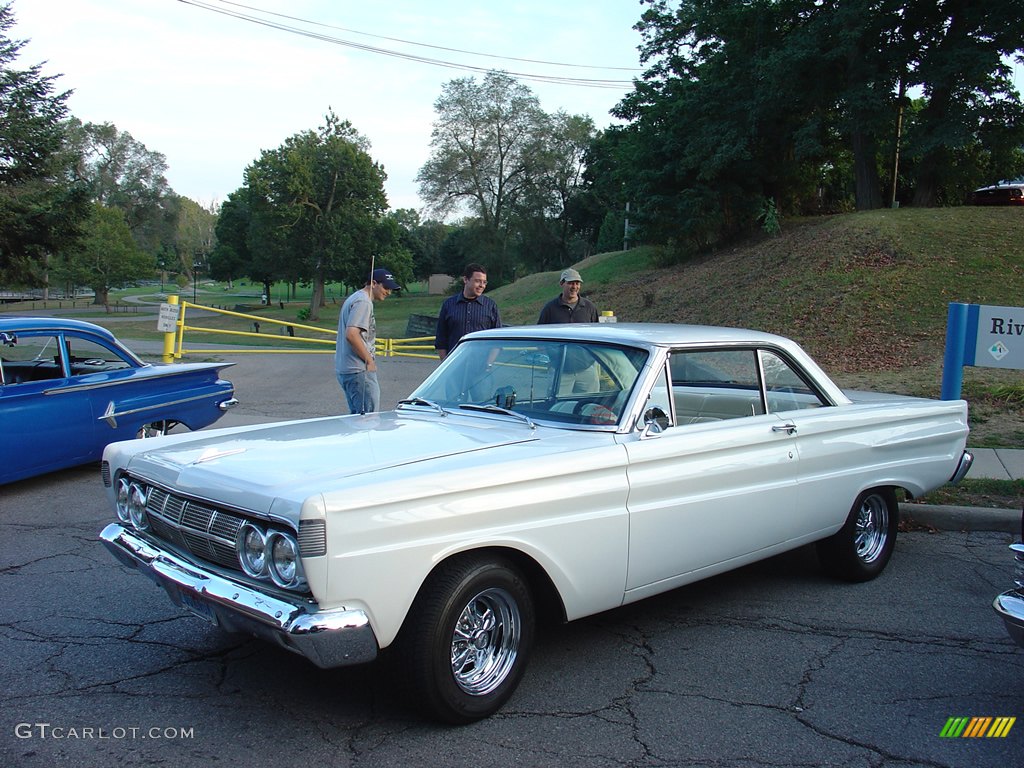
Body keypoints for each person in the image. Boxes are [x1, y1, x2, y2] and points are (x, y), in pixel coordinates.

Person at [335, 267, 400, 414]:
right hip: (358, 370)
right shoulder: (364, 302)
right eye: (386, 287)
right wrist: (369, 361)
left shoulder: (354, 298)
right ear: (373, 283)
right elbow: (352, 334)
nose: (388, 292)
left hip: (347, 369)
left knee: (357, 418)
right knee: (367, 420)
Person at [434, 263, 501, 360]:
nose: (481, 285)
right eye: (478, 281)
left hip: (481, 365)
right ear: (465, 280)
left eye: (484, 282)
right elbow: (441, 339)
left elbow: (497, 340)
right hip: (454, 364)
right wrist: (445, 363)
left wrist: (489, 364)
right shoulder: (448, 305)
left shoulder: (491, 306)